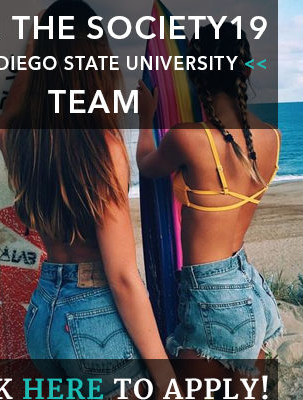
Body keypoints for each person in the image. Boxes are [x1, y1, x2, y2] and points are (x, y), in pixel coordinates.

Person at [0, 1, 174, 397]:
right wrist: (165, 378)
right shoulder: (103, 147)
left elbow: (2, 120)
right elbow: (122, 276)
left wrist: (37, 47)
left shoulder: (20, 140)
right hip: (93, 322)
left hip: (42, 316)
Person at [137, 22, 283, 394]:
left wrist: (145, 118)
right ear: (246, 70)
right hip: (251, 287)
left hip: (212, 296)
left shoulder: (188, 137)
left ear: (195, 74)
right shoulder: (272, 136)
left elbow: (147, 166)